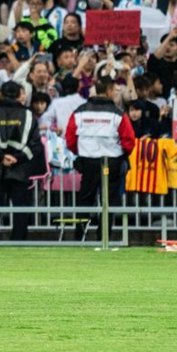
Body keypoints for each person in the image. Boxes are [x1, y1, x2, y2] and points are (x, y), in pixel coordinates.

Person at [65, 76, 136, 240]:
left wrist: (81, 152)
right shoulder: (118, 114)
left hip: (87, 161)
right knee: (108, 202)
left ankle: (79, 238)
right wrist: (122, 154)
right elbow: (129, 141)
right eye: (115, 90)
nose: (116, 93)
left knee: (84, 200)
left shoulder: (80, 112)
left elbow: (70, 139)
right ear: (109, 91)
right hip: (112, 162)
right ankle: (103, 238)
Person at [0, 81, 43, 244]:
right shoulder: (29, 115)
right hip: (20, 169)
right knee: (21, 210)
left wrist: (1, 157)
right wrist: (17, 158)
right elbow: (35, 145)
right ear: (19, 95)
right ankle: (18, 244)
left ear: (1, 94)